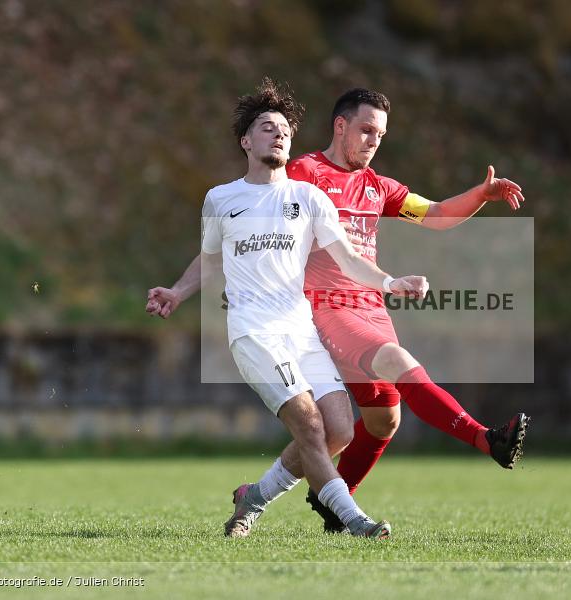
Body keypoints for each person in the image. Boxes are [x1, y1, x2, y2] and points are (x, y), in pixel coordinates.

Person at [146, 79, 429, 539]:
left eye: (284, 130)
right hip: (252, 332)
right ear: (246, 140)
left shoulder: (309, 198)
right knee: (310, 424)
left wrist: (391, 282)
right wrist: (177, 292)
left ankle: (253, 499)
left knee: (339, 430)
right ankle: (354, 521)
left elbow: (350, 259)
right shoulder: (222, 198)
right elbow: (211, 258)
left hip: (301, 330)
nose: (278, 135)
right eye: (266, 128)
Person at [284, 89, 530, 532]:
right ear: (340, 126)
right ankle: (485, 438)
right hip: (327, 307)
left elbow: (435, 214)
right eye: (365, 130)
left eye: (380, 134)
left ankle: (334, 504)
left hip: (371, 307)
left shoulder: (379, 186)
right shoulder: (304, 172)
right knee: (398, 363)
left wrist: (480, 194)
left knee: (383, 419)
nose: (373, 140)